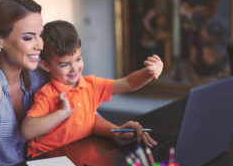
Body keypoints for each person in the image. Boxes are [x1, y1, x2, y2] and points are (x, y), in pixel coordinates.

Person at [0, 0, 152, 166]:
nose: (40, 45)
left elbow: (82, 109)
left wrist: (116, 130)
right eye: (28, 37)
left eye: (40, 35)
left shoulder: (40, 74)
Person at [21, 20, 163, 158]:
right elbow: (27, 131)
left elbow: (128, 83)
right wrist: (62, 113)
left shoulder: (91, 85)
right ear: (46, 66)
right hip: (45, 158)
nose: (74, 69)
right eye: (65, 65)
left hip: (76, 152)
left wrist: (149, 72)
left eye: (78, 59)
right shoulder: (47, 93)